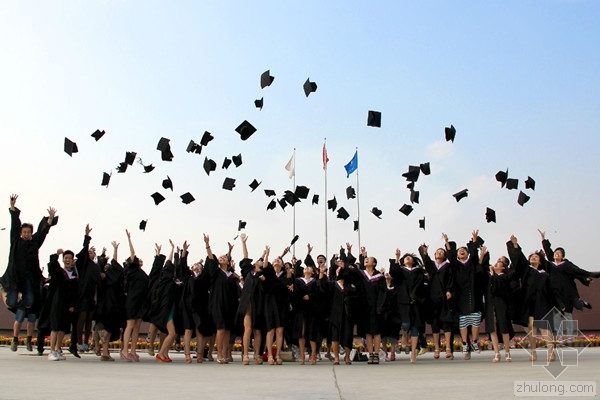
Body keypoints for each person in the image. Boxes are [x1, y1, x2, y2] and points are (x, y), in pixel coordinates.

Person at [0, 194, 57, 352]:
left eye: (28, 232)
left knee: (32, 315)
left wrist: (50, 219)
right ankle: (15, 339)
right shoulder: (15, 241)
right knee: (19, 314)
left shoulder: (34, 244)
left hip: (31, 284)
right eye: (24, 232)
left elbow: (43, 232)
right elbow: (14, 224)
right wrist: (12, 208)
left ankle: (29, 341)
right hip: (16, 281)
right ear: (20, 233)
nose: (26, 234)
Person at [539, 229, 600, 344]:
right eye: (555, 253)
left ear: (563, 256)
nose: (556, 254)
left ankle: (570, 337)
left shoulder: (566, 264)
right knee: (556, 315)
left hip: (567, 292)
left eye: (559, 253)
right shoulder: (550, 265)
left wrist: (586, 278)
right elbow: (547, 251)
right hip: (555, 293)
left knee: (568, 315)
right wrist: (543, 239)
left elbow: (577, 272)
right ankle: (559, 337)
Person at [507, 235, 554, 362]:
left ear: (540, 261)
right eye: (532, 256)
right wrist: (515, 245)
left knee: (544, 327)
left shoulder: (545, 274)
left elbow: (552, 290)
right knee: (532, 327)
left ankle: (551, 351)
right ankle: (533, 352)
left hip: (542, 302)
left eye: (536, 257)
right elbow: (520, 260)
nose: (533, 257)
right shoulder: (527, 270)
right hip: (529, 302)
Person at [445, 231, 485, 360]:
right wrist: (447, 242)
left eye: (464, 250)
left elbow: (474, 253)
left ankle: (474, 341)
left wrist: (474, 239)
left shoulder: (471, 263)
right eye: (459, 250)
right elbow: (450, 256)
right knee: (462, 321)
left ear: (467, 253)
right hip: (460, 295)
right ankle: (464, 344)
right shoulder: (455, 265)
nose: (461, 251)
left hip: (472, 294)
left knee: (475, 319)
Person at [345, 246, 386, 364]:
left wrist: (380, 306)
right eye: (365, 259)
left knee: (376, 331)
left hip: (376, 307)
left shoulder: (379, 277)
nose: (366, 260)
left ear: (374, 263)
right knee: (368, 331)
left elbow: (383, 293)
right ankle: (370, 353)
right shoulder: (361, 275)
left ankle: (377, 354)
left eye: (369, 259)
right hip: (364, 307)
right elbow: (353, 273)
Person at [203, 234, 239, 364]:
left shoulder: (231, 275)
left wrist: (229, 251)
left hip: (230, 305)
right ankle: (219, 354)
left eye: (225, 257)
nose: (222, 258)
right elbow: (211, 259)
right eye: (220, 257)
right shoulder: (216, 272)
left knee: (228, 330)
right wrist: (208, 245)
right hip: (218, 303)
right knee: (221, 329)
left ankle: (224, 353)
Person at [389, 249, 427, 364]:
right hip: (403, 301)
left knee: (415, 327)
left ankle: (413, 353)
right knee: (405, 323)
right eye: (405, 258)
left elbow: (421, 285)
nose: (408, 258)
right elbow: (393, 273)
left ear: (414, 261)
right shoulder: (400, 270)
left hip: (416, 302)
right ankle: (404, 333)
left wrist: (416, 296)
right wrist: (397, 257)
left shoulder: (418, 272)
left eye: (410, 257)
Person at [419, 242, 454, 360]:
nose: (439, 253)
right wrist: (425, 253)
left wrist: (449, 289)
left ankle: (448, 347)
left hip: (444, 297)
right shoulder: (432, 265)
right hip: (432, 297)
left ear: (444, 256)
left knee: (446, 322)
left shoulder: (447, 266)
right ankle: (437, 348)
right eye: (437, 252)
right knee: (435, 324)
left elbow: (450, 278)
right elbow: (427, 262)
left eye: (442, 252)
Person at [480, 246, 515, 363]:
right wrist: (484, 254)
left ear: (504, 268)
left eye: (499, 263)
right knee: (492, 329)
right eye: (496, 262)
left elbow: (497, 288)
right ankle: (496, 353)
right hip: (490, 304)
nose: (496, 264)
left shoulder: (504, 277)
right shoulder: (490, 276)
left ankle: (507, 352)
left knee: (504, 328)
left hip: (501, 304)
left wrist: (493, 274)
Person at [235, 234, 266, 365]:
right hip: (247, 302)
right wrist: (243, 243)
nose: (258, 261)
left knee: (258, 331)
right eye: (258, 260)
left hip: (258, 304)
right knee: (247, 328)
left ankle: (257, 355)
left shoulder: (263, 276)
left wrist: (265, 254)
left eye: (261, 260)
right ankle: (246, 354)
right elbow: (246, 256)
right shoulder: (248, 271)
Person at [120, 229, 149, 362]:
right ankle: (125, 349)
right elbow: (132, 252)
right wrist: (129, 238)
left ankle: (133, 350)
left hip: (140, 301)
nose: (139, 260)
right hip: (132, 300)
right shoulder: (131, 269)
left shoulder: (142, 273)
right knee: (130, 324)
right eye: (138, 259)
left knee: (137, 325)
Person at [46, 248, 79, 361]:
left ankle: (58, 348)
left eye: (70, 258)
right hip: (57, 303)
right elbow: (51, 266)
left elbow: (75, 292)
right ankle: (51, 352)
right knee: (55, 327)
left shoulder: (75, 275)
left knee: (63, 328)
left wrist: (73, 305)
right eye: (65, 258)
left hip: (68, 305)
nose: (68, 260)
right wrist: (56, 254)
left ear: (73, 260)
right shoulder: (59, 272)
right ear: (63, 259)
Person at [73, 224, 100, 354]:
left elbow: (98, 281)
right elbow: (84, 251)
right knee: (82, 318)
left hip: (91, 296)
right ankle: (79, 342)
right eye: (88, 252)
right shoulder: (83, 264)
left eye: (92, 252)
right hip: (82, 295)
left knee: (89, 319)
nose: (89, 253)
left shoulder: (95, 267)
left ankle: (85, 342)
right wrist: (87, 237)